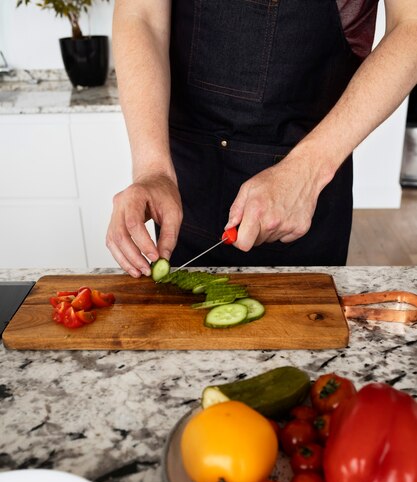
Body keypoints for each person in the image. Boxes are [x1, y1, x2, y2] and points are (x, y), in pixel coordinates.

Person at [106, 0, 417, 277]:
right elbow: (140, 13)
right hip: (184, 183)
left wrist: (308, 168)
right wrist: (153, 170)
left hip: (304, 186)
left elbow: (411, 26)